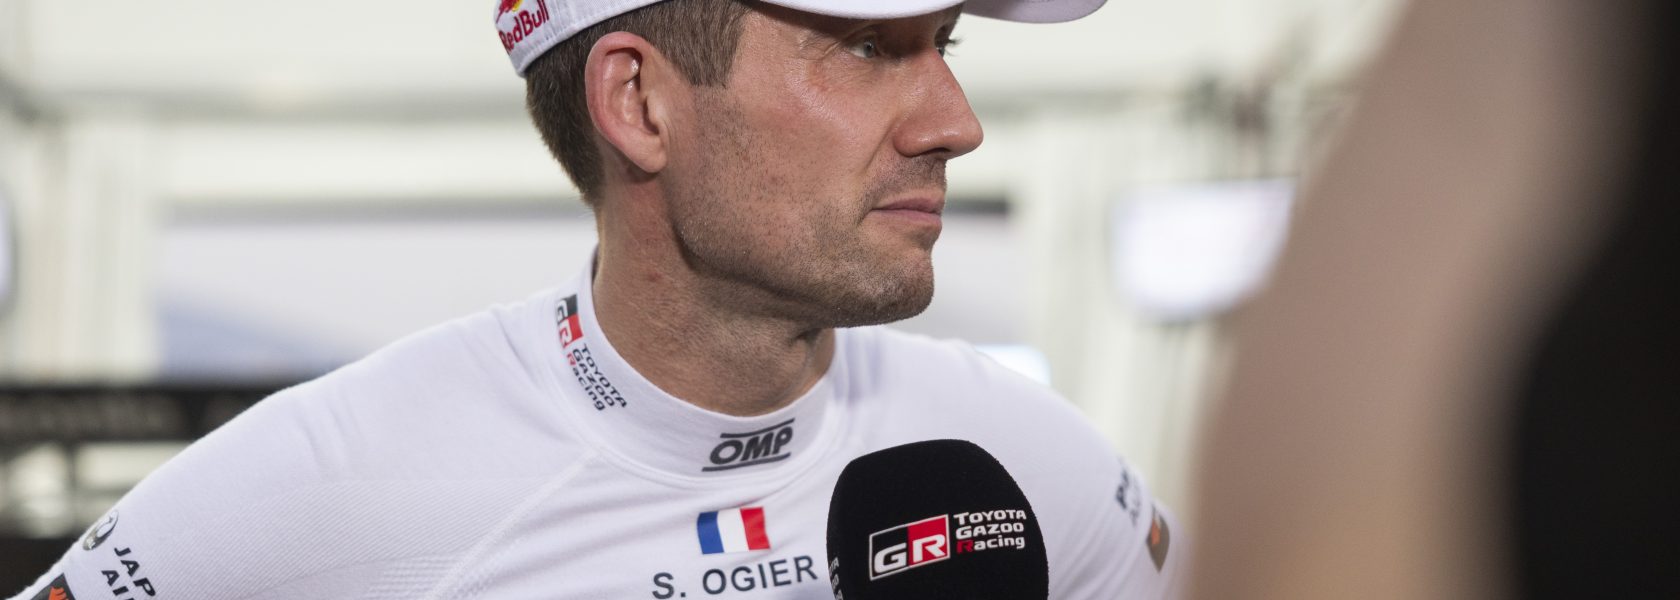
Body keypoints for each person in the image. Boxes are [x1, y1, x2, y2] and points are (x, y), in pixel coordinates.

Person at [10, 0, 1183, 598]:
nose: (955, 125)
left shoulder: (1024, 458)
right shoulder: (320, 481)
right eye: (869, 50)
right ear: (640, 105)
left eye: (945, 46)